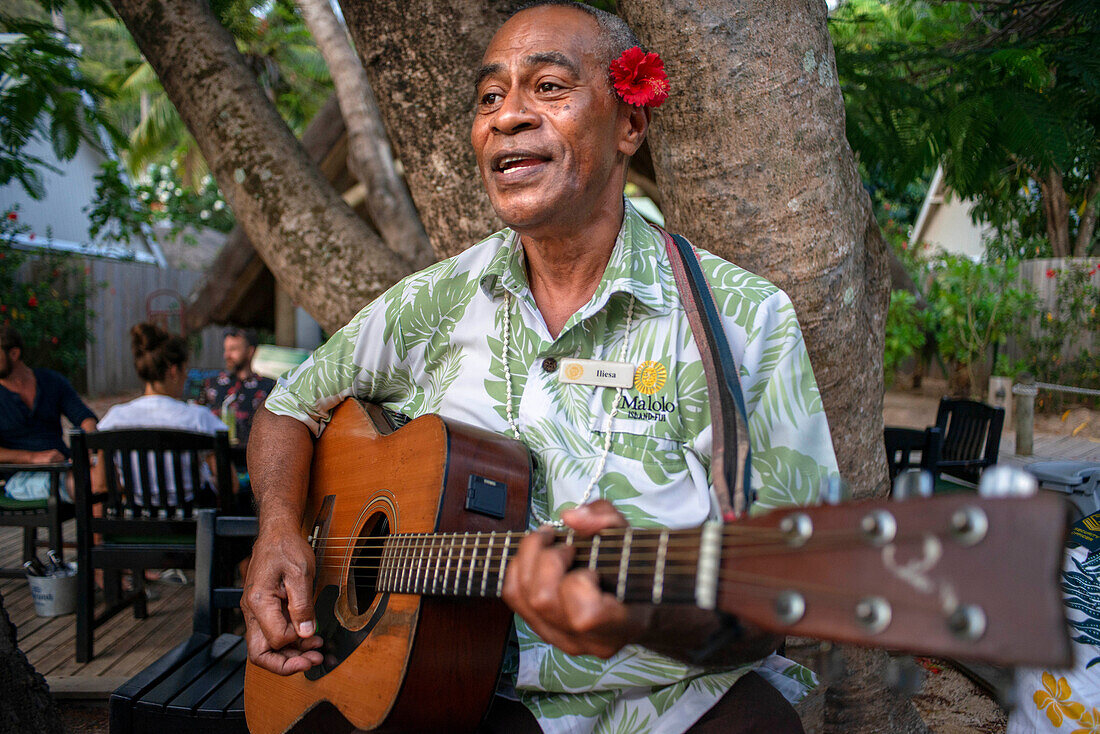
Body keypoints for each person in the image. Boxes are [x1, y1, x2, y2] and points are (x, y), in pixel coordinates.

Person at [242, 3, 839, 732]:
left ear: (630, 124)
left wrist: (643, 612)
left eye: (549, 87)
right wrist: (277, 532)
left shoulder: (744, 322)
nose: (508, 117)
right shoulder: (436, 299)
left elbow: (786, 591)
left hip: (661, 708)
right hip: (441, 696)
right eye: (491, 97)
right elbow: (288, 406)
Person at [95, 323, 230, 507]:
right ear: (174, 371)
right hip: (192, 526)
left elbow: (102, 485)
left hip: (135, 524)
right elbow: (230, 485)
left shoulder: (114, 419)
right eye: (186, 371)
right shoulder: (199, 418)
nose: (186, 378)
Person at [0, 325, 97, 501]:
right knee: (93, 483)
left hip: (64, 466)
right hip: (21, 477)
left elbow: (85, 418)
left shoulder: (50, 381)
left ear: (13, 354)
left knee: (111, 475)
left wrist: (87, 450)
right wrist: (33, 458)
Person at [198, 326, 275, 445]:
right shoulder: (212, 385)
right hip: (216, 457)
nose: (227, 355)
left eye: (233, 349)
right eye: (226, 349)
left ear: (250, 351)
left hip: (251, 456)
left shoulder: (268, 387)